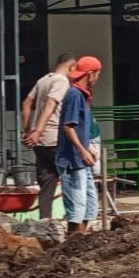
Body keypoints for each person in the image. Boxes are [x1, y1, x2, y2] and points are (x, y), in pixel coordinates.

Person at [21, 52, 77, 219]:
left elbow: (26, 102)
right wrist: (37, 130)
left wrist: (28, 131)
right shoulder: (61, 81)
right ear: (71, 67)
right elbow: (51, 103)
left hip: (40, 142)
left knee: (47, 183)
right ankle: (73, 220)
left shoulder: (43, 80)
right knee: (71, 178)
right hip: (54, 138)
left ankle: (45, 222)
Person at [55, 56, 102, 235]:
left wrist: (87, 147)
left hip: (81, 159)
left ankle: (81, 244)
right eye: (97, 75)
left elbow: (79, 128)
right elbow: (67, 126)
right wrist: (82, 150)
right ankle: (73, 243)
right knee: (77, 207)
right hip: (72, 160)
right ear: (90, 74)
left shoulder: (82, 95)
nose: (97, 79)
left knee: (89, 205)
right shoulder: (74, 94)